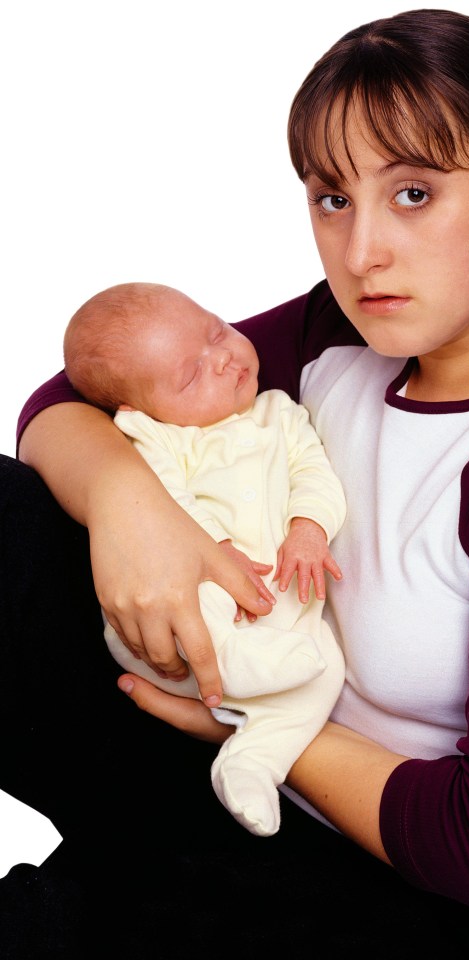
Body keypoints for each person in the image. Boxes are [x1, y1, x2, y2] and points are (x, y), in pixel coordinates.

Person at [1, 9, 469, 957]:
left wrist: (244, 732)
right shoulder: (367, 323)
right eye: (333, 198)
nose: (362, 251)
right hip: (256, 752)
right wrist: (129, 507)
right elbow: (79, 392)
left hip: (445, 906)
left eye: (413, 193)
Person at [62, 280, 346, 838]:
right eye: (191, 375)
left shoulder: (279, 414)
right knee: (188, 608)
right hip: (187, 609)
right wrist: (207, 546)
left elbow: (315, 473)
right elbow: (162, 499)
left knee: (326, 667)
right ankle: (239, 669)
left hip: (282, 609)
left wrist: (309, 529)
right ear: (138, 408)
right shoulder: (155, 437)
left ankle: (252, 765)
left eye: (218, 331)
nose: (223, 360)